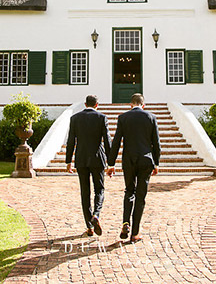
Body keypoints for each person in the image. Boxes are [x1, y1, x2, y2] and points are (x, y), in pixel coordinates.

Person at [107, 93, 160, 243]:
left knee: (129, 191)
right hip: (145, 160)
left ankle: (126, 222)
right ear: (143, 105)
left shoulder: (123, 118)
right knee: (141, 196)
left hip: (129, 160)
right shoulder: (151, 117)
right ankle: (135, 232)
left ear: (131, 105)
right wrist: (156, 163)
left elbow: (116, 142)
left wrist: (111, 164)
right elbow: (156, 143)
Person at [65, 95, 111, 237]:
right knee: (99, 189)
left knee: (85, 192)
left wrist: (68, 161)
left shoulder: (75, 118)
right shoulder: (102, 117)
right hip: (98, 158)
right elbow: (107, 141)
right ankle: (96, 214)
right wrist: (111, 162)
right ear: (97, 105)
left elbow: (71, 141)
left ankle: (89, 227)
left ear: (85, 104)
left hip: (81, 159)